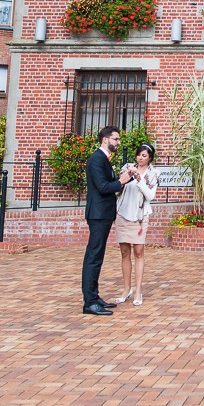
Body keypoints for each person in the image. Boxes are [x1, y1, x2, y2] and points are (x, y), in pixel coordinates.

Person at [81, 125, 129, 316]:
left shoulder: (104, 160)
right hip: (98, 214)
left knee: (97, 257)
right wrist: (121, 182)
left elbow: (109, 183)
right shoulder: (96, 160)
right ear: (105, 140)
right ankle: (90, 302)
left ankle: (95, 296)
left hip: (104, 214)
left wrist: (127, 178)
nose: (118, 142)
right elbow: (103, 187)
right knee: (93, 257)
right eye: (115, 139)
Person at [114, 142, 158, 306]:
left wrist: (140, 180)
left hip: (140, 216)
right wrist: (126, 176)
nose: (140, 158)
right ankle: (127, 289)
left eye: (144, 155)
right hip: (123, 213)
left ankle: (138, 290)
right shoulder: (127, 167)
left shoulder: (153, 173)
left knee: (138, 252)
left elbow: (150, 196)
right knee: (124, 252)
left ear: (150, 158)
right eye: (139, 154)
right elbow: (117, 187)